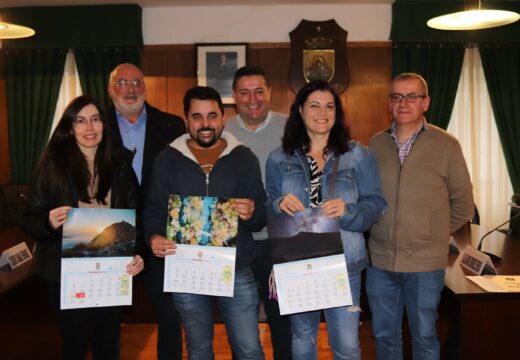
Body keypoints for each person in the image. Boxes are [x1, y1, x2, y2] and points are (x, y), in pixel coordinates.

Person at [265, 80, 387, 360]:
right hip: (297, 261)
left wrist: (349, 212)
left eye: (330, 106)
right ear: (299, 110)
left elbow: (377, 205)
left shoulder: (358, 155)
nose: (323, 112)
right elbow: (267, 204)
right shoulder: (278, 158)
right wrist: (278, 203)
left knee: (346, 345)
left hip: (344, 264)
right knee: (303, 338)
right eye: (315, 106)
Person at [144, 86, 266, 359]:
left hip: (236, 270)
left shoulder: (244, 158)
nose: (205, 124)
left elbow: (260, 217)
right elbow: (153, 210)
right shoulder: (166, 160)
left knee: (249, 349)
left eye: (212, 116)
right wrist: (153, 237)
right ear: (186, 120)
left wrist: (252, 212)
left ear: (223, 118)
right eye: (197, 117)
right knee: (198, 350)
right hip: (187, 271)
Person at [23, 95, 144, 359]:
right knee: (74, 346)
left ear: (104, 125)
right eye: (80, 121)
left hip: (112, 273)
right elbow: (30, 218)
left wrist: (138, 254)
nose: (89, 128)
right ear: (70, 127)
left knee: (108, 346)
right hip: (67, 275)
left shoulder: (122, 166)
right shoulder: (52, 166)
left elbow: (138, 219)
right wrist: (49, 222)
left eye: (95, 120)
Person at [367, 72, 474, 359]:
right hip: (380, 263)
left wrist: (433, 231)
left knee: (425, 337)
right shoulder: (375, 145)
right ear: (389, 103)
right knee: (384, 336)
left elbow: (463, 205)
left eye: (412, 96)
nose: (404, 102)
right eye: (397, 96)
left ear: (425, 103)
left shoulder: (447, 145)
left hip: (426, 266)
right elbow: (367, 199)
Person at [107, 63, 186, 359]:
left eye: (137, 82)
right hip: (112, 232)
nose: (130, 89)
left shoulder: (172, 125)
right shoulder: (95, 125)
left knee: (169, 313)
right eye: (123, 83)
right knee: (109, 316)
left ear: (145, 87)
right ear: (112, 88)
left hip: (160, 234)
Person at [226, 65, 292, 360]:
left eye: (258, 91)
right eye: (244, 92)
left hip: (280, 239)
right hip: (236, 241)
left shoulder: (291, 128)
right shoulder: (222, 131)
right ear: (234, 96)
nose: (252, 99)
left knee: (281, 316)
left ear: (270, 93)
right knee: (242, 320)